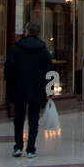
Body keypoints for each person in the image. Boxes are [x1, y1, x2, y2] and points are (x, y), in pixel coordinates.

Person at [4, 21, 53, 159]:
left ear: (26, 32)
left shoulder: (16, 49)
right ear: (38, 33)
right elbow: (50, 71)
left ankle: (18, 146)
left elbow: (8, 70)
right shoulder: (43, 50)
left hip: (19, 89)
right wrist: (50, 91)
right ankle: (31, 148)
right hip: (37, 90)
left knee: (18, 118)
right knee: (33, 119)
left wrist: (10, 85)